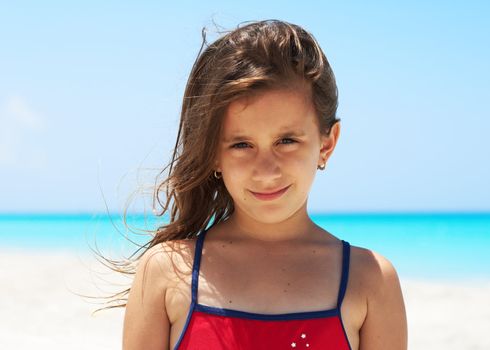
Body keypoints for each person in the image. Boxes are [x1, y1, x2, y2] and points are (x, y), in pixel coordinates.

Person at [122, 19, 407, 350]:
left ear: (326, 144)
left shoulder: (370, 279)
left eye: (286, 140)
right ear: (213, 153)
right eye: (241, 145)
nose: (266, 170)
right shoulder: (166, 271)